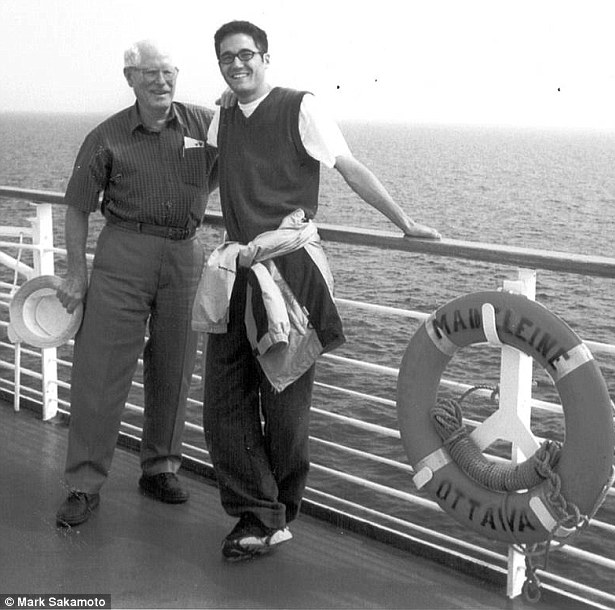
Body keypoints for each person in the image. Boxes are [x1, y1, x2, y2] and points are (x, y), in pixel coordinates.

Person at [200, 20, 441, 562]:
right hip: (238, 269)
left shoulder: (300, 107)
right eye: (226, 58)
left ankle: (276, 513)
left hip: (291, 272)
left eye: (246, 55)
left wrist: (405, 222)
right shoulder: (222, 117)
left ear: (265, 57)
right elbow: (217, 169)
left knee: (286, 408)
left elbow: (348, 167)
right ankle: (257, 513)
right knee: (222, 404)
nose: (237, 64)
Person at [55, 40, 217, 527]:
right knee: (100, 369)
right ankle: (83, 484)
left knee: (175, 364)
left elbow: (247, 146)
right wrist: (77, 274)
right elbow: (78, 206)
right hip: (124, 250)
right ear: (130, 78)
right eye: (149, 74)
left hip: (185, 253)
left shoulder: (205, 124)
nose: (161, 82)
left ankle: (160, 468)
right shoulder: (105, 137)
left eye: (168, 72)